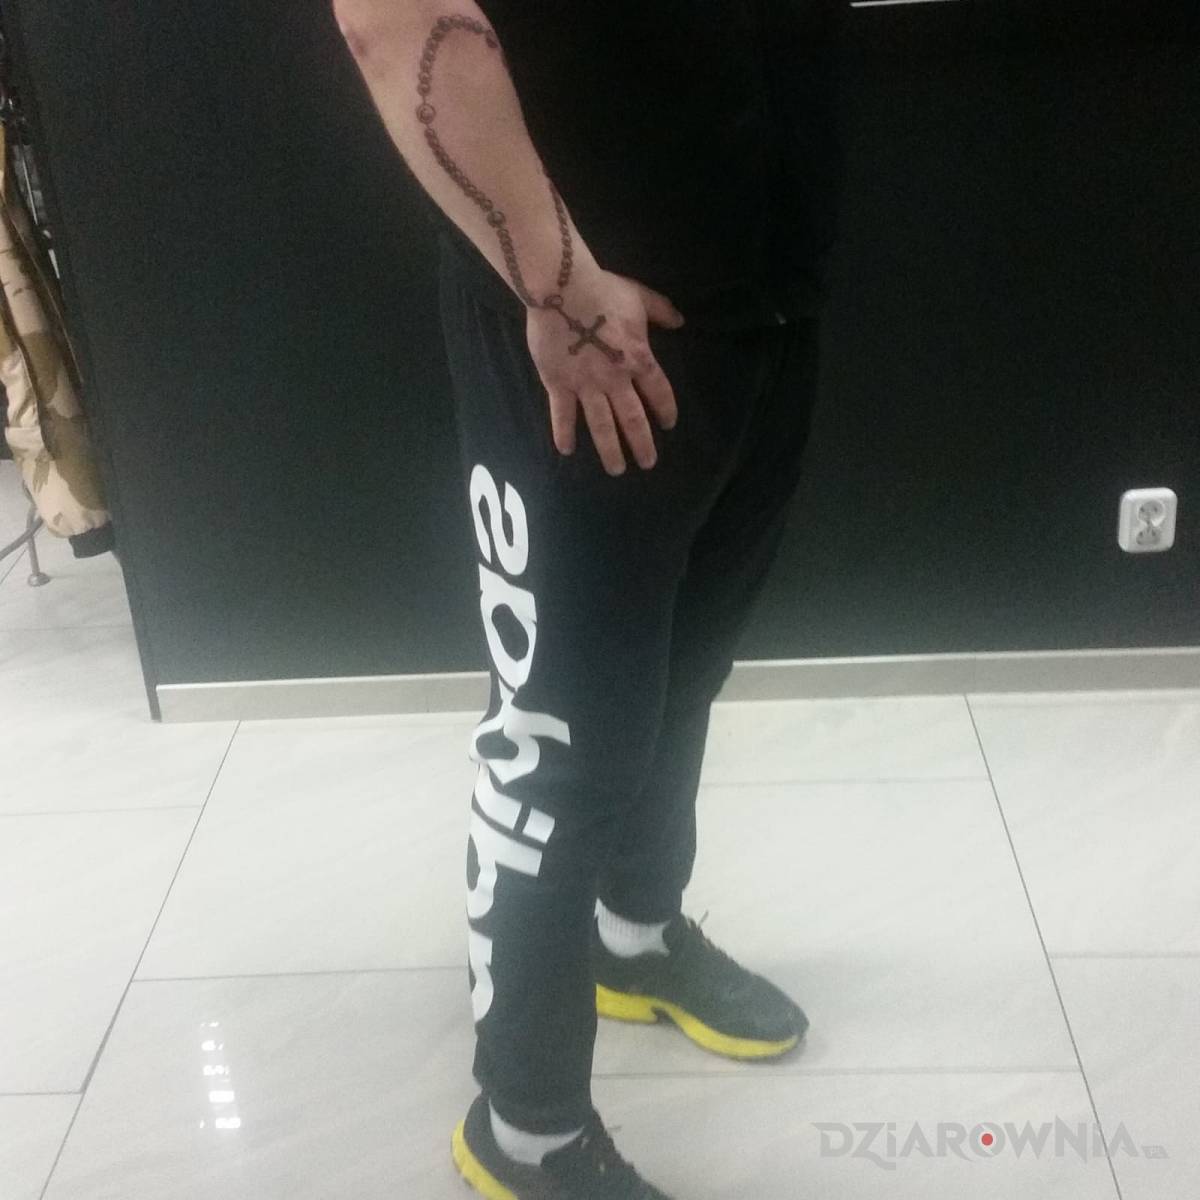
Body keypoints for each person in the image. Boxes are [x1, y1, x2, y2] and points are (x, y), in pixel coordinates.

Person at [332, 2, 846, 1195]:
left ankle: (636, 937)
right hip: (578, 324)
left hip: (763, 297)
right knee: (555, 743)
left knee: (683, 676)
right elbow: (392, 24)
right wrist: (555, 283)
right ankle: (526, 1127)